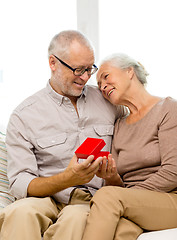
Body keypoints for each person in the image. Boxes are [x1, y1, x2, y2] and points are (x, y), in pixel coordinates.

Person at [0, 31, 126, 240]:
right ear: (53, 63)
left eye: (89, 69)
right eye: (78, 70)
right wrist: (67, 179)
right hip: (45, 197)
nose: (85, 77)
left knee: (76, 220)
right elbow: (20, 182)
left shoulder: (109, 102)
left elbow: (140, 117)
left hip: (90, 199)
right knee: (18, 213)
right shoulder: (24, 115)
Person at [82, 53, 177, 240]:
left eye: (106, 77)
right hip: (133, 203)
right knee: (119, 232)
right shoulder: (119, 126)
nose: (102, 86)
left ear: (129, 71)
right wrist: (112, 178)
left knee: (107, 196)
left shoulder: (168, 109)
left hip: (170, 198)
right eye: (99, 85)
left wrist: (123, 195)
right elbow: (119, 185)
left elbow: (173, 171)